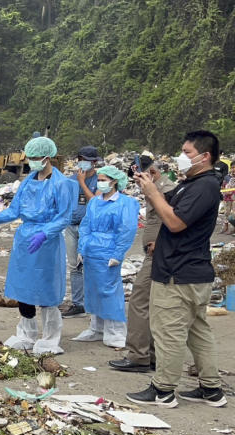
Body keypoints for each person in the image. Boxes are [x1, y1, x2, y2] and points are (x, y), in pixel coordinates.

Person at [127, 130, 226, 408]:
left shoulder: (204, 186)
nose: (182, 157)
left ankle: (163, 390)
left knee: (168, 332)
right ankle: (211, 388)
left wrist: (151, 192)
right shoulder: (190, 183)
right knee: (197, 331)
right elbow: (172, 214)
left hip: (179, 273)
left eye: (188, 152)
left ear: (205, 156)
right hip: (189, 271)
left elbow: (175, 222)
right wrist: (154, 186)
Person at [0, 136, 75, 355]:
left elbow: (64, 217)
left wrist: (45, 232)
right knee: (23, 290)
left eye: (35, 157)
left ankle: (50, 339)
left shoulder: (61, 184)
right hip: (24, 240)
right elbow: (15, 210)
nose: (31, 161)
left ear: (47, 157)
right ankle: (26, 335)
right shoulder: (28, 182)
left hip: (47, 243)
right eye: (29, 157)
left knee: (47, 292)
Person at [110, 156, 175, 372]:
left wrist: (160, 242)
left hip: (160, 253)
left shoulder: (167, 190)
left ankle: (139, 356)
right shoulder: (156, 189)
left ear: (153, 173)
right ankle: (151, 355)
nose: (139, 184)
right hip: (156, 252)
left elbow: (175, 220)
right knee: (152, 303)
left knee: (139, 299)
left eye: (140, 179)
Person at [70, 166, 139, 348]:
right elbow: (85, 226)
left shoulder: (126, 203)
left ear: (114, 181)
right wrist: (82, 248)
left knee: (109, 291)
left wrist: (118, 253)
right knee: (92, 289)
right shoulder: (94, 202)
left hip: (109, 251)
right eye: (99, 179)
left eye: (103, 179)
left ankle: (116, 332)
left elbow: (127, 230)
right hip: (92, 251)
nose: (100, 182)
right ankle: (97, 328)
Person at [61, 146, 101, 318]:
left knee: (91, 265)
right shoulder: (71, 180)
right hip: (71, 226)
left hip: (90, 228)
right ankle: (78, 304)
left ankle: (95, 303)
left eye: (85, 160)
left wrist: (82, 182)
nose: (81, 163)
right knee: (74, 266)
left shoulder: (100, 180)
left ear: (94, 162)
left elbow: (95, 202)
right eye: (80, 159)